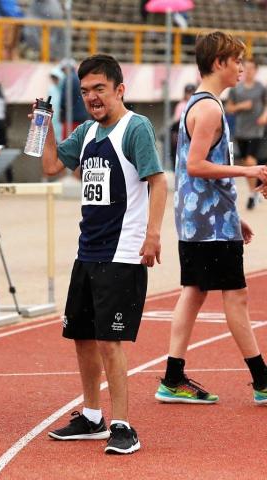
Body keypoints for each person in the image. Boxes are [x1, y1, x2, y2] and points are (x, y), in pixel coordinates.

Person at [42, 54, 167, 454]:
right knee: (81, 336)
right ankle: (92, 416)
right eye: (85, 91)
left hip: (123, 251)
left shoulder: (136, 128)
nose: (92, 97)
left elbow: (158, 183)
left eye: (99, 89)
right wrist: (43, 125)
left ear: (119, 90)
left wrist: (153, 234)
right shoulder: (87, 132)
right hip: (88, 249)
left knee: (110, 341)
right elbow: (49, 166)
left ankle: (123, 424)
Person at [155, 31, 267, 407]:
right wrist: (249, 173)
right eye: (236, 61)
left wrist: (232, 214)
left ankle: (172, 376)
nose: (241, 68)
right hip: (206, 223)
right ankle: (262, 380)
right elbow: (196, 165)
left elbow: (198, 171)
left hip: (200, 219)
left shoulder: (199, 104)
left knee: (195, 292)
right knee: (235, 297)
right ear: (219, 62)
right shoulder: (209, 109)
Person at [226, 57, 267, 209]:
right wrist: (241, 106)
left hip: (256, 131)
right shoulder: (236, 89)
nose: (248, 71)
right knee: (247, 163)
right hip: (241, 131)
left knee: (250, 161)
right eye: (246, 68)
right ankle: (255, 191)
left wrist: (264, 115)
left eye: (252, 68)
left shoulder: (261, 88)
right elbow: (229, 108)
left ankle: (252, 194)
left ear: (256, 70)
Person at [59, 59, 89, 139]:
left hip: (71, 118)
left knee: (67, 146)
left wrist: (62, 113)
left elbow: (64, 100)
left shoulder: (67, 79)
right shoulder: (80, 79)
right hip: (83, 117)